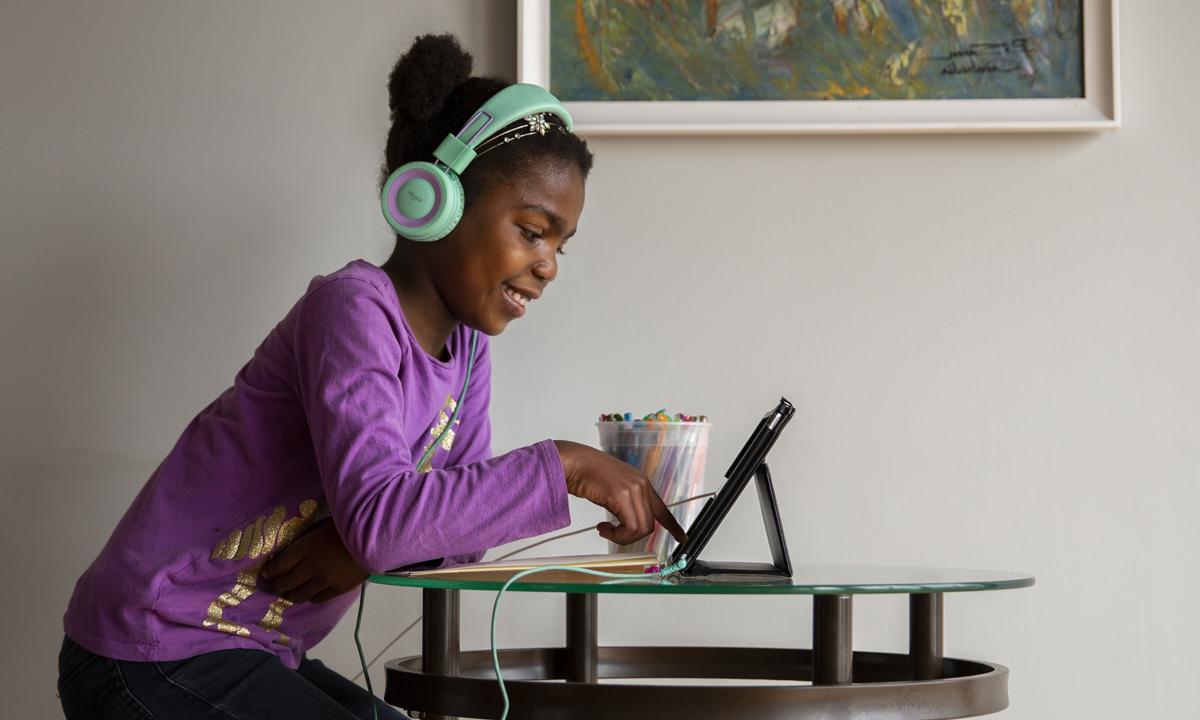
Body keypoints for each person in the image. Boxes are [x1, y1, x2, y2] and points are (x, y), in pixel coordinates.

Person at [57, 33, 685, 720]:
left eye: (561, 245)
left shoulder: (469, 353)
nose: (549, 265)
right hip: (153, 646)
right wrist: (565, 465)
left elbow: (456, 534)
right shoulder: (352, 309)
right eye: (533, 231)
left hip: (247, 649)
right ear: (433, 199)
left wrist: (360, 551)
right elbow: (391, 524)